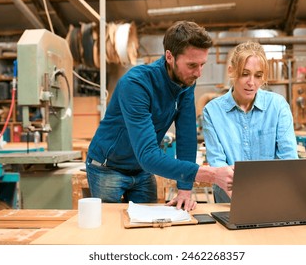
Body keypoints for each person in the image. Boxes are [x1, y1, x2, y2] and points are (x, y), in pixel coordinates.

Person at [86, 21, 233, 211]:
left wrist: (185, 190)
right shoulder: (136, 84)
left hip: (142, 170)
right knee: (111, 230)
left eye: (202, 64)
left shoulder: (186, 82)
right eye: (191, 65)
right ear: (169, 57)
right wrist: (211, 175)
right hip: (108, 168)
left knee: (149, 231)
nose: (198, 73)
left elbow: (186, 138)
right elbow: (147, 155)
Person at [202, 41, 298, 203]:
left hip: (272, 199)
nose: (251, 82)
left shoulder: (277, 106)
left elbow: (288, 159)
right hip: (229, 202)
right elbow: (219, 165)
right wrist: (243, 201)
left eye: (258, 76)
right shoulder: (212, 111)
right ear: (231, 71)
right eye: (245, 74)